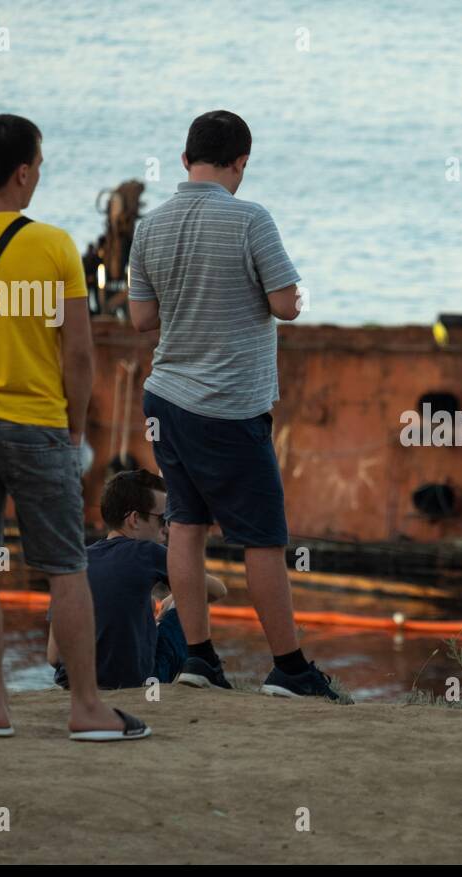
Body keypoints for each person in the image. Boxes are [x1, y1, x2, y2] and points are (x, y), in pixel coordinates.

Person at [0, 113, 149, 741]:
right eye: (38, 166)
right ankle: (86, 708)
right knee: (66, 567)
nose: (39, 176)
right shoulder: (54, 246)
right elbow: (79, 354)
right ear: (21, 172)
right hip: (37, 426)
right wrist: (71, 430)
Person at [128, 109, 340, 700]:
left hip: (164, 399)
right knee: (264, 540)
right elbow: (286, 304)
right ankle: (291, 669)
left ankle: (198, 659)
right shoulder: (251, 219)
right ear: (242, 161)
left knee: (186, 528)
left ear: (184, 159)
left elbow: (143, 318)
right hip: (227, 408)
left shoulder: (149, 227)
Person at [47, 469, 227, 690]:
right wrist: (178, 595)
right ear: (134, 519)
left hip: (73, 681)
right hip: (139, 682)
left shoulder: (75, 561)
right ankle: (203, 671)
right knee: (188, 600)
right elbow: (218, 590)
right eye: (162, 518)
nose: (167, 528)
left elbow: (54, 656)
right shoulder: (147, 551)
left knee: (148, 604)